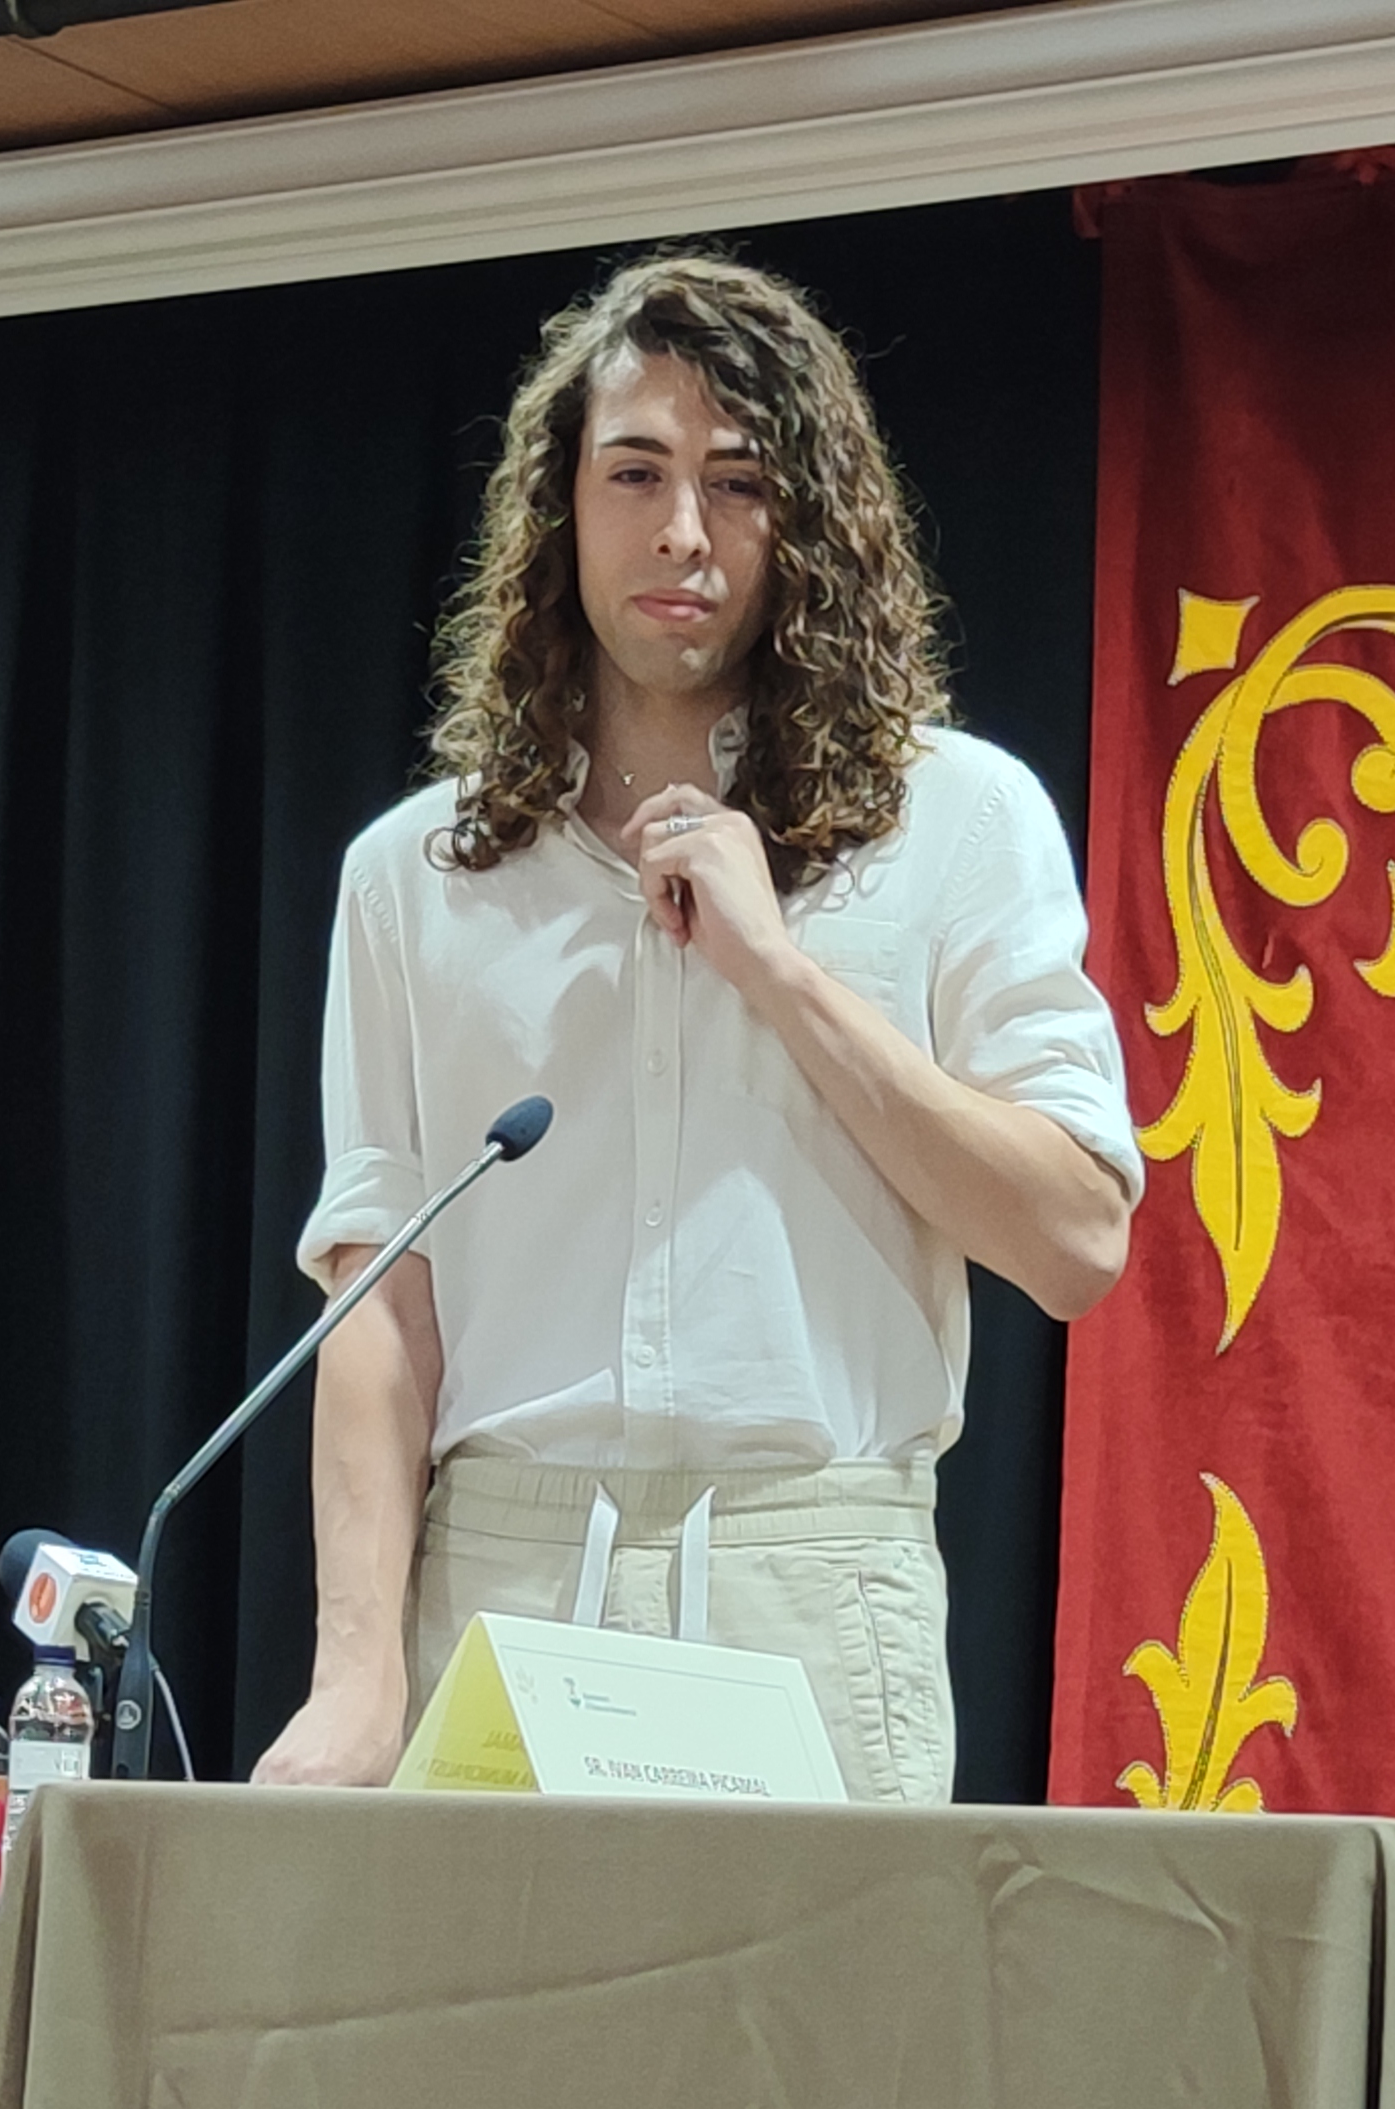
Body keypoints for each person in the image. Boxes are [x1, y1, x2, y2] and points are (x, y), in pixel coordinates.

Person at [252, 256, 1138, 1806]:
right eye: (637, 474)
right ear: (561, 511)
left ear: (811, 521)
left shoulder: (961, 818)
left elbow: (1075, 1240)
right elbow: (382, 1308)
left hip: (812, 1572)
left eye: (740, 483)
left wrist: (784, 972)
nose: (682, 532)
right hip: (505, 1578)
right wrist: (355, 1674)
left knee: (816, 2058)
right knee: (479, 2052)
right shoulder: (411, 878)